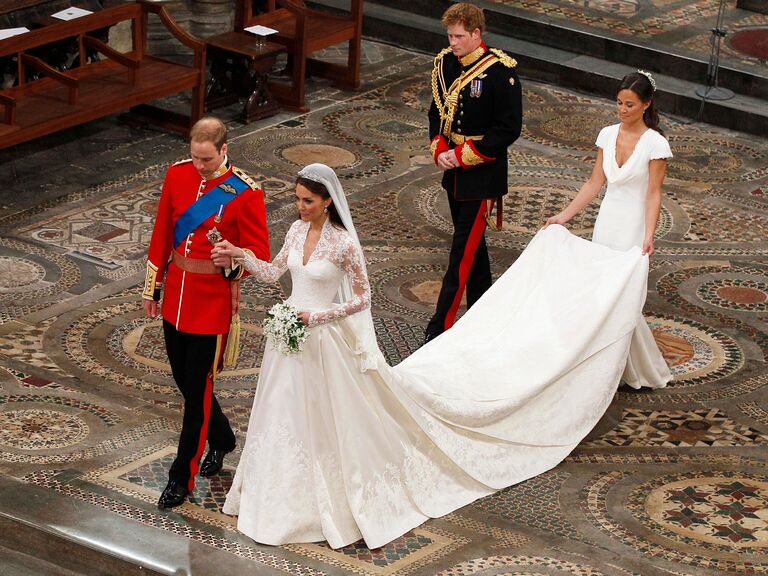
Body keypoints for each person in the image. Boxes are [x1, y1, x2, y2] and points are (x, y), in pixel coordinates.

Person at [213, 163, 651, 550]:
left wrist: (320, 315)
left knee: (326, 419)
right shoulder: (293, 231)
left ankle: (324, 499)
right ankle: (272, 496)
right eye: (297, 199)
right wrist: (242, 256)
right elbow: (274, 274)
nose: (300, 207)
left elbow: (362, 300)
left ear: (328, 201)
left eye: (307, 201)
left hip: (323, 341)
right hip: (288, 341)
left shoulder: (343, 244)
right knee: (280, 415)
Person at [142, 116, 270, 509]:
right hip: (177, 294)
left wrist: (233, 259)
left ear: (224, 150)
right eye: (195, 158)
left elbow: (259, 255)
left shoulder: (245, 193)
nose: (200, 166)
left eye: (207, 159)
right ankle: (224, 438)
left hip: (212, 304)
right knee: (184, 379)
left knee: (197, 392)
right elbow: (163, 230)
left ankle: (182, 476)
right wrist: (153, 287)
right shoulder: (177, 176)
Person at [545, 70, 672, 389]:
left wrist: (649, 234)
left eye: (630, 104)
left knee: (620, 295)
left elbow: (653, 192)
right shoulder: (606, 134)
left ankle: (614, 369)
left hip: (633, 224)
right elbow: (594, 182)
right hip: (608, 220)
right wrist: (564, 215)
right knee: (602, 293)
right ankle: (606, 366)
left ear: (646, 105)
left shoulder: (655, 144)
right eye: (619, 103)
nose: (623, 110)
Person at [424, 2, 523, 343]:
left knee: (461, 253)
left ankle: (440, 329)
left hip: (482, 173)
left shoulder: (500, 72)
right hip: (453, 170)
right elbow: (436, 111)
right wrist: (439, 147)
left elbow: (508, 128)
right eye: (450, 36)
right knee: (474, 252)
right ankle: (484, 315)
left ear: (477, 34)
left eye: (459, 36)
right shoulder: (446, 64)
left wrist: (463, 156)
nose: (453, 43)